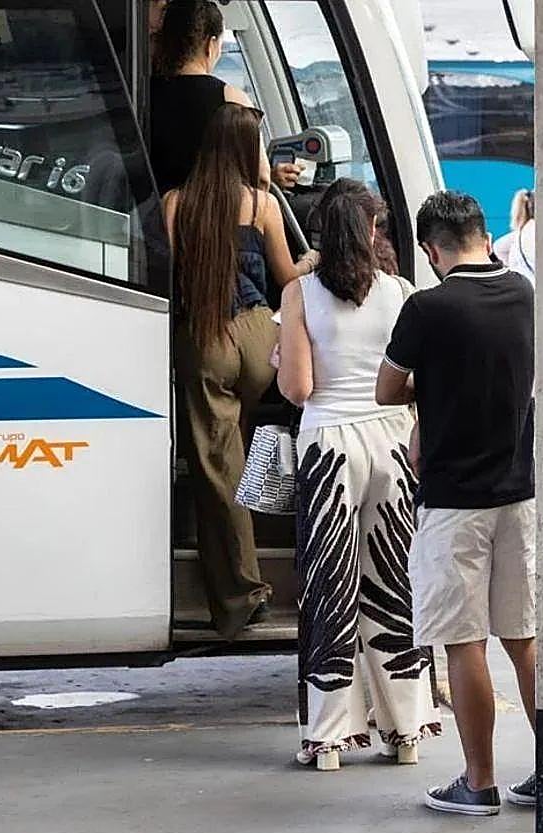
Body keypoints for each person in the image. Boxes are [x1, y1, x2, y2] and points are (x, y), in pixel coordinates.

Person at [375, 191, 535, 817]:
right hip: (519, 491)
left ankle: (479, 780)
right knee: (524, 637)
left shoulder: (428, 307)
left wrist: (435, 380)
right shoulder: (524, 294)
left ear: (430, 249)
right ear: (483, 233)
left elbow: (388, 388)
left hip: (451, 502)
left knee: (463, 642)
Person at [276, 179, 440, 772]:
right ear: (373, 231)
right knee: (393, 584)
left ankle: (327, 739)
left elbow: (297, 388)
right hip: (392, 440)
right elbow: (414, 377)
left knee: (331, 587)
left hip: (328, 445)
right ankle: (406, 729)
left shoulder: (299, 295)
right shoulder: (400, 292)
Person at [164, 103, 318, 639]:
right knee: (253, 436)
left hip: (205, 340)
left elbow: (172, 275)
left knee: (217, 470)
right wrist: (314, 260)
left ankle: (241, 596)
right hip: (258, 341)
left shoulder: (176, 203)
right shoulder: (262, 204)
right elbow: (287, 276)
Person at [150, 0, 301, 194]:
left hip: (152, 217)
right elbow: (261, 178)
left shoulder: (140, 94)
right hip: (215, 219)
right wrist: (273, 179)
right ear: (210, 44)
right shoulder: (233, 99)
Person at [493, 189, 535, 283]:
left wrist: (515, 266)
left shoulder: (521, 232)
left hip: (521, 287)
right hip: (537, 291)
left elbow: (498, 247)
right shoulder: (534, 230)